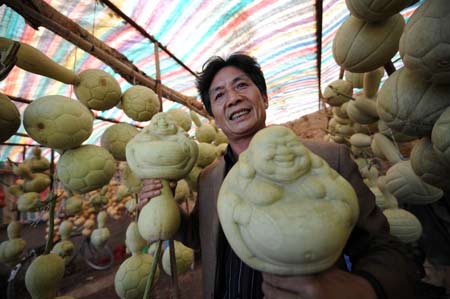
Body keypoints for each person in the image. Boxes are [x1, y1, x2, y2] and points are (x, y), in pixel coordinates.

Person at [139, 53, 423, 299]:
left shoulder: (328, 159)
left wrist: (364, 289)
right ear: (213, 114)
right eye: (219, 94)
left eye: (241, 86)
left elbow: (385, 247)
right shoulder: (210, 178)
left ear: (263, 97)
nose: (233, 98)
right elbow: (205, 237)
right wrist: (167, 210)